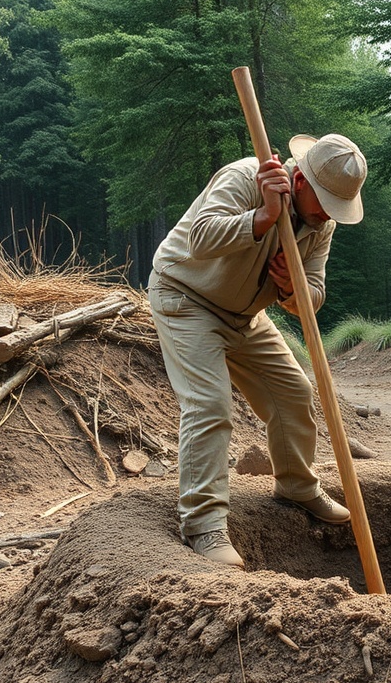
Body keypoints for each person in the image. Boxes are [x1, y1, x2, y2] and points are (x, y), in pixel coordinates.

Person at [147, 133, 367, 568]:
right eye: (323, 202)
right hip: (187, 298)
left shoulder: (322, 225)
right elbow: (200, 240)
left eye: (334, 209)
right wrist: (263, 218)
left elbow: (314, 293)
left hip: (245, 314)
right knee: (209, 404)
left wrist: (291, 285)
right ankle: (203, 526)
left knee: (293, 391)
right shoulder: (246, 178)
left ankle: (297, 487)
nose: (326, 216)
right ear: (299, 179)